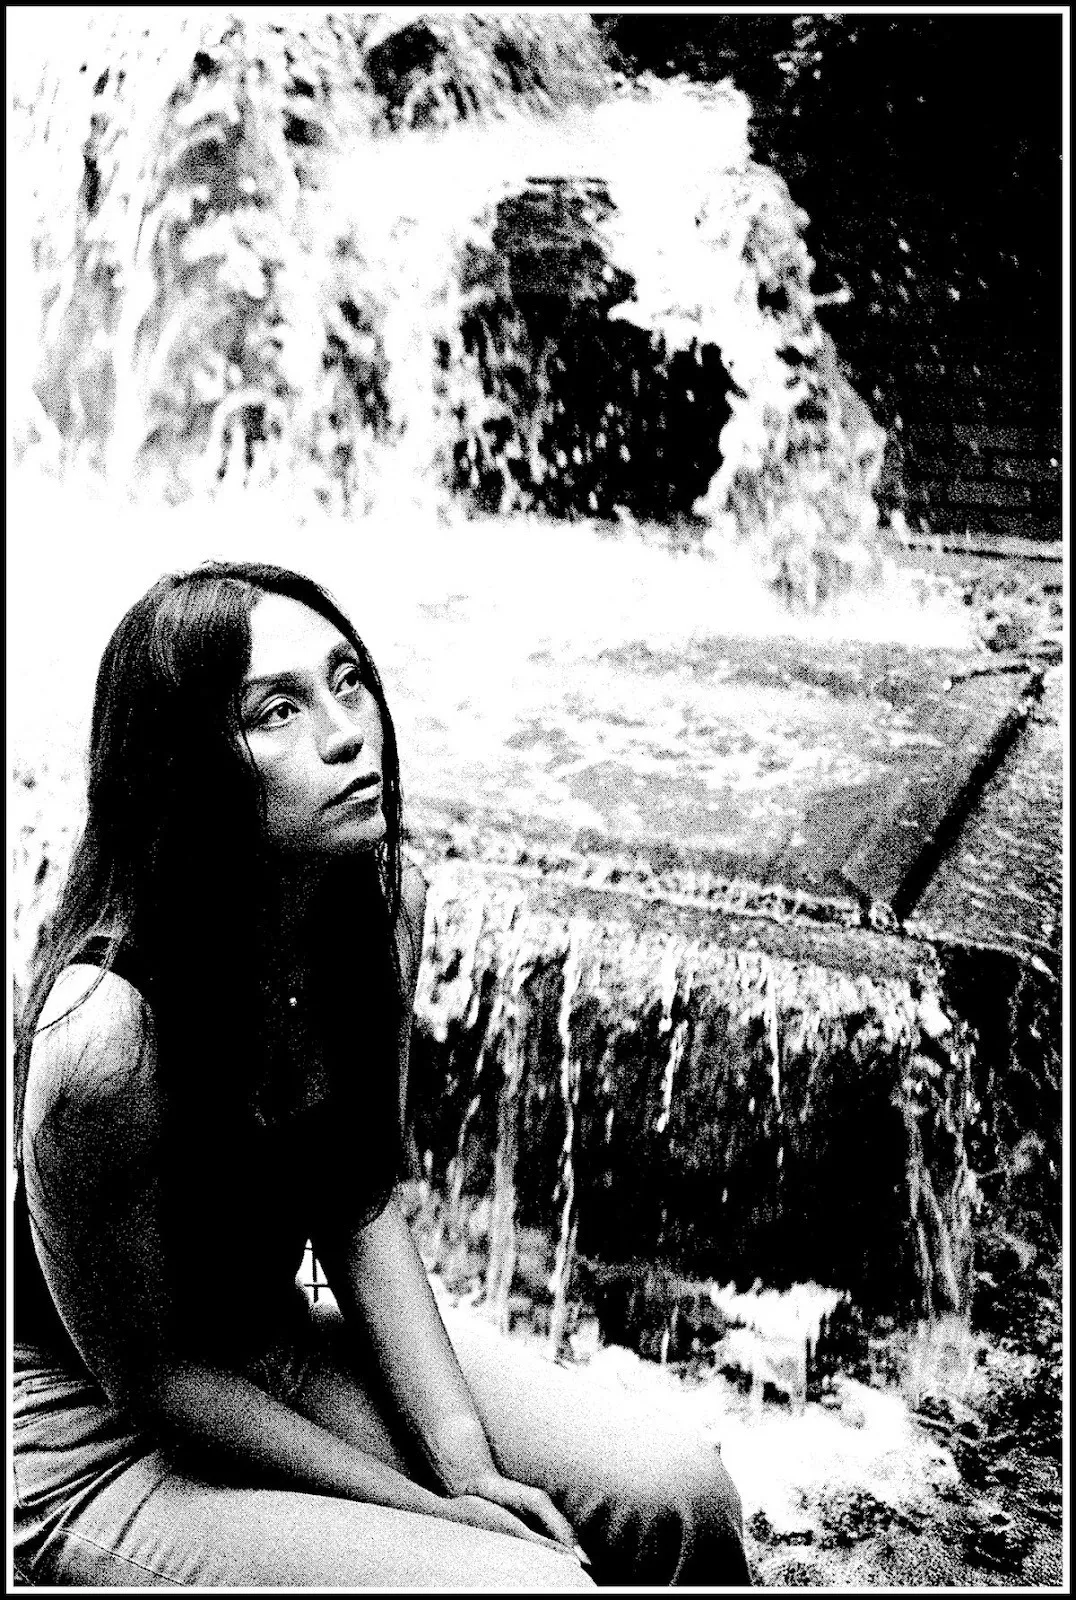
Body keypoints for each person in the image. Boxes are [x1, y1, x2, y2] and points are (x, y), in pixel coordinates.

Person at [13, 560, 750, 1588]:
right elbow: (155, 1378)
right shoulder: (102, 1038)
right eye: (277, 709)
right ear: (182, 765)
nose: (347, 732)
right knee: (525, 1583)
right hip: (90, 1437)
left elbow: (356, 1202)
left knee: (679, 1493)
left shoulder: (376, 904)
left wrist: (466, 1463)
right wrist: (422, 1508)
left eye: (347, 678)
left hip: (262, 1342)